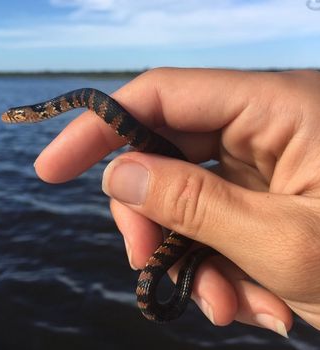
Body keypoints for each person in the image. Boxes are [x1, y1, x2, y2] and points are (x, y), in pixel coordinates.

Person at [34, 68, 320, 338]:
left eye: (14, 117)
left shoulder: (87, 98)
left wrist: (184, 201)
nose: (10, 119)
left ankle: (198, 256)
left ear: (32, 115)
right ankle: (198, 256)